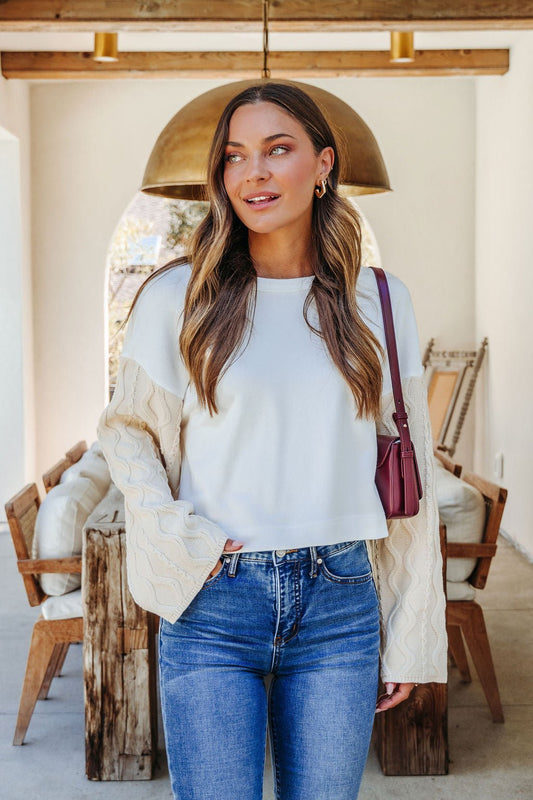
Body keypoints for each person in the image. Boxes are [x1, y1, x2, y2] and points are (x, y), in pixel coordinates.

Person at [98, 82, 447, 800]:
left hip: (341, 599)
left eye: (276, 150)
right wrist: (173, 530)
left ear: (323, 166)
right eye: (234, 156)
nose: (252, 172)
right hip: (214, 600)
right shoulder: (178, 299)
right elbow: (127, 436)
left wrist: (410, 631)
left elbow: (412, 478)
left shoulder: (380, 302)